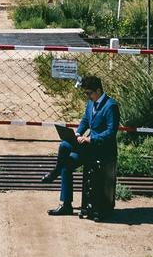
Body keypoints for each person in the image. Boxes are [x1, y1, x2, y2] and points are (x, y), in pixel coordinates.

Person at [39, 74, 119, 216]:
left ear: (98, 90)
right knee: (66, 160)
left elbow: (111, 132)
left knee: (64, 146)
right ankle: (66, 204)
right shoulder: (90, 104)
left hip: (100, 148)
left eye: (89, 93)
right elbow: (85, 121)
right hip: (89, 147)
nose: (88, 96)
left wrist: (91, 139)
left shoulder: (111, 106)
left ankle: (55, 172)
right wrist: (77, 133)